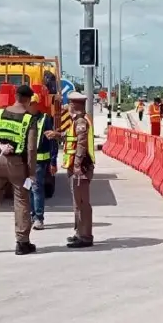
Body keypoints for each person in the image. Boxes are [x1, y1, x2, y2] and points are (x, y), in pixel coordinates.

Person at [0, 84, 39, 255]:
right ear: (28, 99)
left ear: (15, 96)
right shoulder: (29, 119)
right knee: (21, 202)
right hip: (18, 165)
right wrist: (32, 174)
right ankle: (22, 243)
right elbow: (32, 149)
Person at [62, 91, 95, 248]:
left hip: (81, 168)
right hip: (76, 166)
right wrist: (57, 135)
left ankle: (85, 236)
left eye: (69, 104)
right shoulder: (75, 121)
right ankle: (79, 232)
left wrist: (77, 166)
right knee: (77, 203)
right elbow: (73, 139)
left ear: (74, 105)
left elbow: (81, 144)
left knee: (82, 202)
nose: (67, 106)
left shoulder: (81, 121)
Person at [30, 96, 57, 231]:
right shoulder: (24, 118)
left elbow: (52, 141)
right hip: (26, 161)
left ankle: (38, 218)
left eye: (32, 104)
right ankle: (32, 215)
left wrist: (53, 161)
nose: (30, 106)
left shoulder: (44, 119)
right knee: (27, 187)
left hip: (40, 161)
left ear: (36, 104)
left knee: (36, 188)